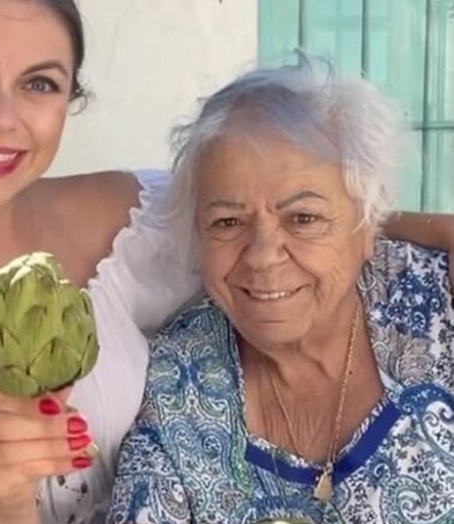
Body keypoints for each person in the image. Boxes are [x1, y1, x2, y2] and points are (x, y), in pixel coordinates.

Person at [0, 1, 454, 523]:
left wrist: (384, 225)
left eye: (39, 82)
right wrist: (1, 500)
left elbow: (269, 210)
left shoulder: (129, 208)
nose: (1, 117)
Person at [107, 55, 454, 524]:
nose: (262, 255)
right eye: (227, 222)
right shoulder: (178, 377)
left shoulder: (438, 307)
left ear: (368, 221)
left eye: (303, 218)